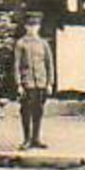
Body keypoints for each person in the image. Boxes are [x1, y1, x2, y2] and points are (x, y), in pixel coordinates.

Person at [13, 13, 55, 149]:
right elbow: (16, 65)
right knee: (26, 111)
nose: (33, 28)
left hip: (41, 82)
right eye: (30, 25)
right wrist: (19, 84)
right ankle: (26, 139)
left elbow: (49, 65)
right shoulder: (21, 43)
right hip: (27, 83)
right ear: (25, 27)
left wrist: (50, 83)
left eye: (35, 25)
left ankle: (36, 139)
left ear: (39, 27)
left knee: (38, 111)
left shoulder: (43, 44)